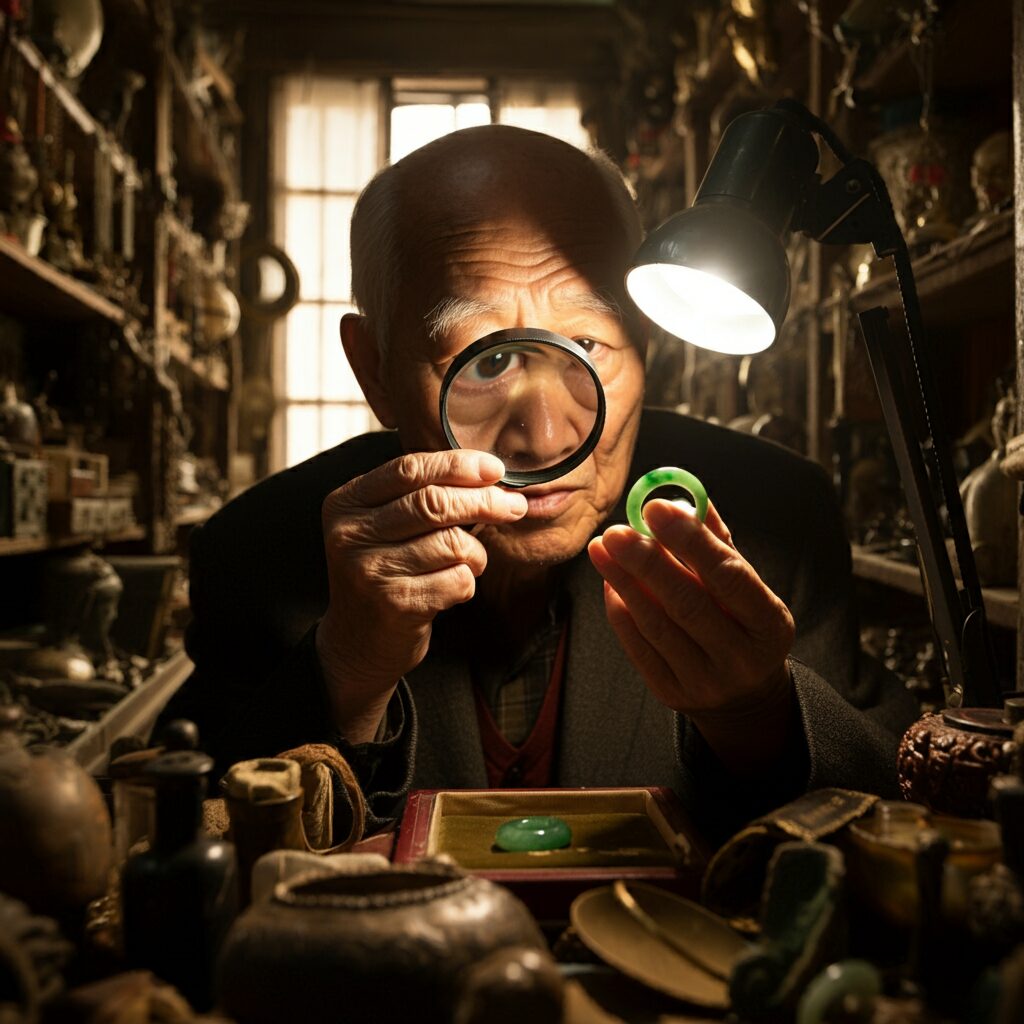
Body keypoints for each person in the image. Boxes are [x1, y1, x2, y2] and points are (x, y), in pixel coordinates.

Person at [162, 125, 918, 843]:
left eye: (587, 343)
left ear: (646, 338)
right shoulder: (259, 554)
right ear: (374, 370)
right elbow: (186, 847)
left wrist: (759, 717)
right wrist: (348, 671)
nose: (550, 437)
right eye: (487, 362)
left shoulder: (769, 521)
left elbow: (891, 814)